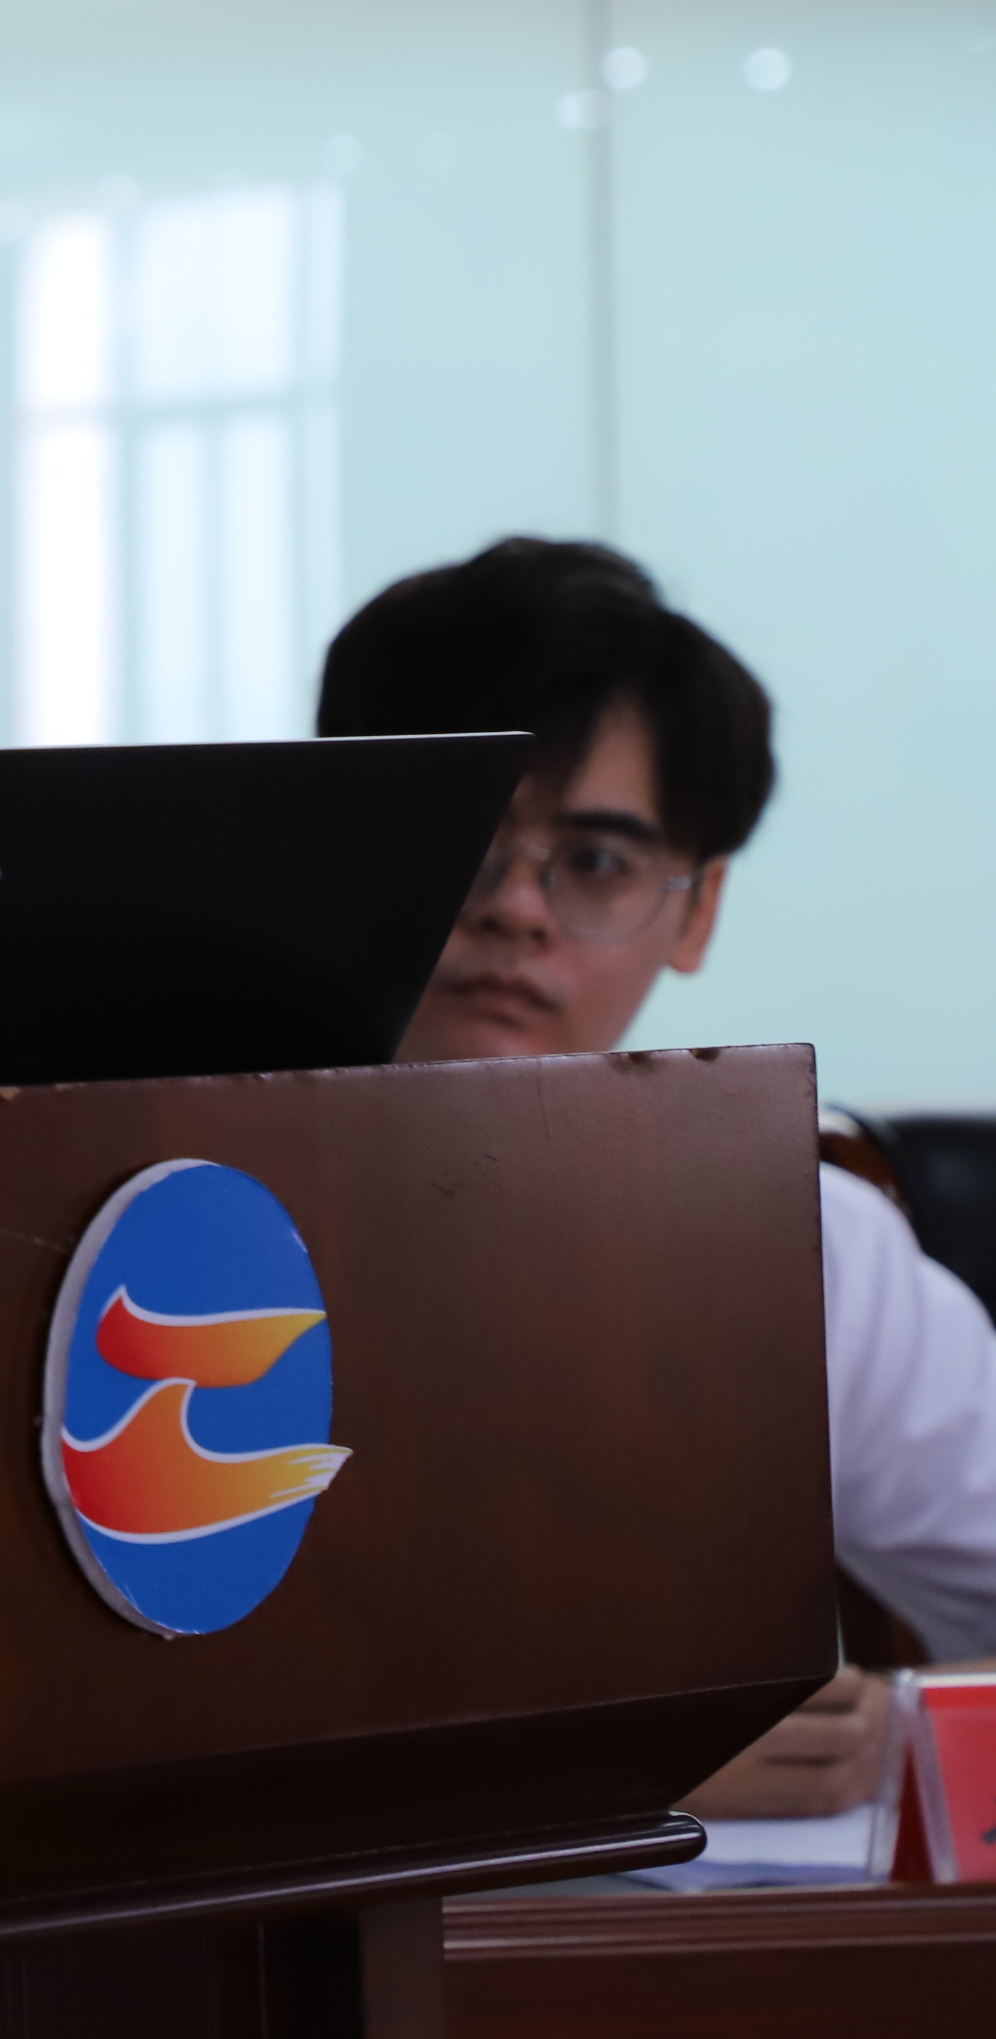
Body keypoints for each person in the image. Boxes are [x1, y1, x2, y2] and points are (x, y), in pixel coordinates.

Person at [321, 538, 996, 1818]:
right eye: (456, 839)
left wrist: (885, 1733)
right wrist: (580, 1763)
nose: (515, 909)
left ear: (695, 911)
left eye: (592, 861)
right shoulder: (151, 1211)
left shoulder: (806, 1243)